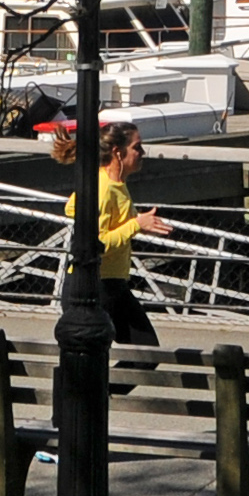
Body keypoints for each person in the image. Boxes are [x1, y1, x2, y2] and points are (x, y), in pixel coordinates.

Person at [54, 119, 170, 348]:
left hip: (113, 284)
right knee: (138, 353)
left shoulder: (115, 183)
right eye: (137, 147)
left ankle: (98, 386)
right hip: (93, 287)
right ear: (118, 152)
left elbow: (72, 207)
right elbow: (96, 244)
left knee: (144, 351)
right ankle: (89, 386)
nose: (142, 152)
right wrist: (136, 224)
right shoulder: (104, 187)